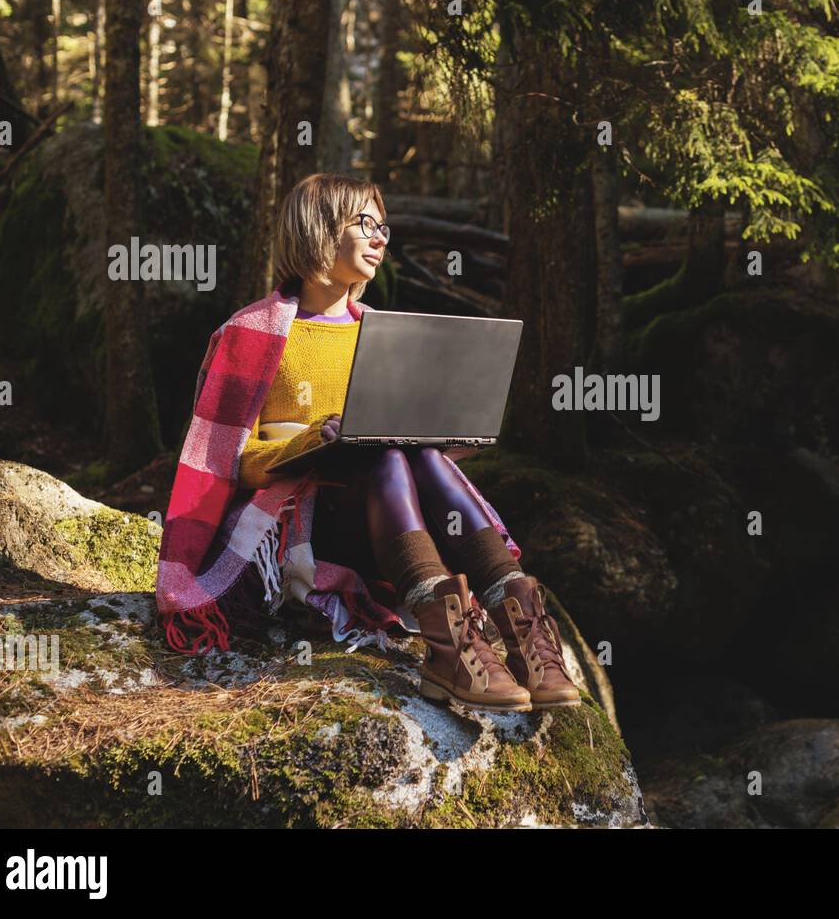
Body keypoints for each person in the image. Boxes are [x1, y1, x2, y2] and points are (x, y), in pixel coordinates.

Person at [159, 173, 579, 713]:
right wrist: (310, 442)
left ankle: (523, 632)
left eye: (385, 226)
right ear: (317, 228)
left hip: (387, 529)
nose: (382, 238)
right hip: (303, 530)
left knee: (418, 453)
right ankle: (448, 647)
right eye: (366, 223)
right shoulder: (250, 334)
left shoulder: (385, 334)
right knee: (381, 455)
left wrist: (447, 435)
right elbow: (226, 466)